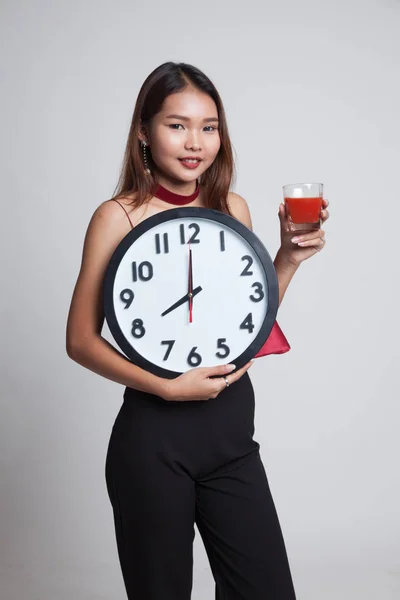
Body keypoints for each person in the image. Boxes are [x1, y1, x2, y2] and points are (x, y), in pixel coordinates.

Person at [66, 61, 329, 600]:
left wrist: (288, 257)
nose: (196, 142)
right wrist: (166, 385)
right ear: (144, 131)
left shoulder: (232, 207)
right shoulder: (117, 216)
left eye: (209, 127)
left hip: (231, 434)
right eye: (177, 125)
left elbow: (247, 316)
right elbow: (80, 340)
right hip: (154, 442)